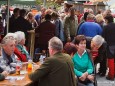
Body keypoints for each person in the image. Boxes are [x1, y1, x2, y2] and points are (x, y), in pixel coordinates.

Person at [102, 14, 115, 80]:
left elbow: (103, 36)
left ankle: (111, 75)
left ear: (107, 20)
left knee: (111, 60)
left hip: (110, 45)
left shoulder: (106, 27)